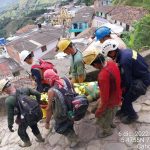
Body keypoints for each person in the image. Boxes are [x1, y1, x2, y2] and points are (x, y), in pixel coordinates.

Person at [101, 39, 150, 124]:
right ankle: (124, 110)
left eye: (109, 54)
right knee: (124, 95)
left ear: (113, 51)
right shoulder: (126, 51)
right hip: (142, 73)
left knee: (126, 98)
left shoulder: (124, 61)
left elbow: (127, 81)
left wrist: (121, 90)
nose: (109, 56)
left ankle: (132, 116)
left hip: (142, 80)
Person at [83, 48, 122, 138]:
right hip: (117, 96)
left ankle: (107, 131)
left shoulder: (103, 76)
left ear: (96, 64)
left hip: (110, 101)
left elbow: (104, 100)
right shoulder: (111, 63)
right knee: (111, 113)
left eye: (92, 65)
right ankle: (111, 123)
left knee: (100, 118)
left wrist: (99, 111)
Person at [0, 79, 44, 147]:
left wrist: (10, 126)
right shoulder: (24, 89)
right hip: (31, 112)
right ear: (11, 84)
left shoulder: (8, 100)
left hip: (24, 117)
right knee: (33, 125)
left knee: (20, 132)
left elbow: (10, 115)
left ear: (5, 90)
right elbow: (38, 94)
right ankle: (41, 139)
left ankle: (27, 143)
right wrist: (38, 102)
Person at [43, 69, 79, 147]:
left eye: (46, 80)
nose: (46, 82)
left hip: (64, 112)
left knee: (59, 128)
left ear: (49, 79)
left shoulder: (51, 91)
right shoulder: (65, 78)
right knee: (70, 122)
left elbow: (49, 108)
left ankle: (74, 139)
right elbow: (73, 91)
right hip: (73, 106)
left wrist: (47, 122)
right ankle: (72, 132)